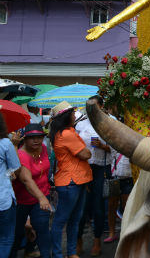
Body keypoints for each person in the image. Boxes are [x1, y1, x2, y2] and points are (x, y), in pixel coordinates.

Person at [49, 101, 92, 258]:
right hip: (71, 182)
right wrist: (86, 152)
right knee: (62, 221)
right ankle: (59, 254)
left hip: (76, 181)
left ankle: (71, 253)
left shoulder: (66, 132)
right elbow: (86, 154)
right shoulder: (66, 134)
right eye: (73, 113)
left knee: (74, 220)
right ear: (67, 116)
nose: (75, 115)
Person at [10, 123, 53, 258]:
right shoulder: (21, 154)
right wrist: (41, 197)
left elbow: (46, 170)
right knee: (16, 235)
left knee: (43, 231)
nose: (36, 140)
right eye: (32, 137)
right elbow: (26, 180)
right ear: (25, 139)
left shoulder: (44, 148)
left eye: (39, 137)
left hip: (41, 197)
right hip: (22, 200)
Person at [76, 96, 111, 257]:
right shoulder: (80, 123)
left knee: (98, 207)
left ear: (102, 107)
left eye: (95, 106)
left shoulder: (110, 122)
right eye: (89, 107)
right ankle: (78, 240)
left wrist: (102, 146)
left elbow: (116, 150)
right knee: (81, 207)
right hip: (82, 168)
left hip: (100, 169)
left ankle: (97, 240)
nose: (91, 110)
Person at [0, 113, 21, 256]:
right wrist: (15, 144)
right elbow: (16, 168)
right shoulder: (5, 143)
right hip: (3, 199)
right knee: (6, 238)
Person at [104, 147, 132, 243]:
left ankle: (126, 233)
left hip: (128, 178)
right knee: (111, 205)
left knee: (127, 207)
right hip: (114, 177)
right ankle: (112, 233)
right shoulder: (112, 142)